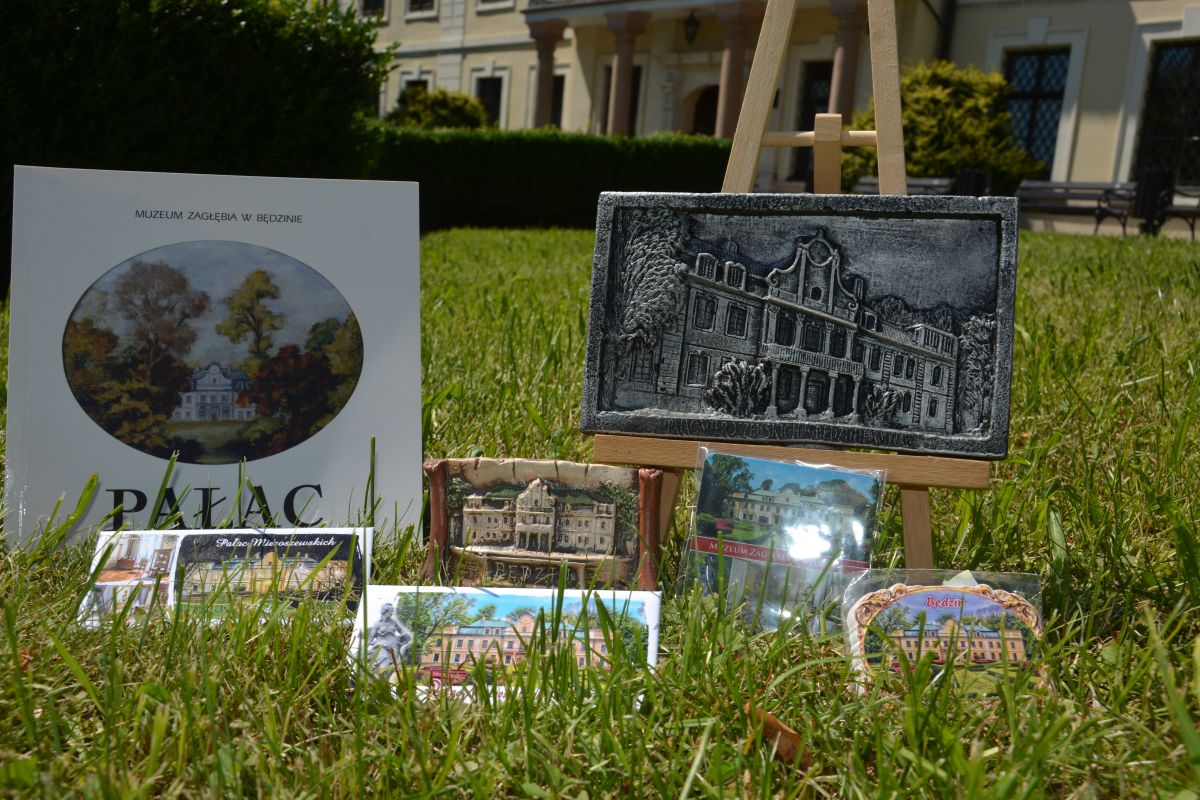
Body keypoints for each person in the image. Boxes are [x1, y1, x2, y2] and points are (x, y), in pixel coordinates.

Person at [366, 602, 413, 673]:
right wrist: (365, 647)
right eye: (390, 611)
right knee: (384, 657)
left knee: (392, 665)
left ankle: (383, 676)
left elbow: (401, 630)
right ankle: (372, 668)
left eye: (392, 611)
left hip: (394, 646)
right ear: (385, 611)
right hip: (381, 645)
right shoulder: (377, 624)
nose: (392, 613)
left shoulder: (393, 622)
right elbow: (371, 638)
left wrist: (405, 634)